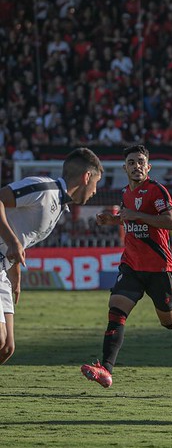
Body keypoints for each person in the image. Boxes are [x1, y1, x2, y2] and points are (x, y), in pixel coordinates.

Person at [81, 145, 172, 387]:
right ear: (125, 168)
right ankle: (105, 369)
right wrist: (112, 220)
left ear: (148, 167)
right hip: (131, 265)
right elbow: (129, 219)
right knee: (116, 312)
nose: (136, 166)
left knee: (170, 322)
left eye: (141, 162)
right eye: (131, 162)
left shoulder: (156, 191)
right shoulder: (124, 193)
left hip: (159, 268)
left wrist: (137, 216)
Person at [0, 147, 104, 364]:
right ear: (87, 177)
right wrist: (13, 241)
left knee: (7, 347)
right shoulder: (44, 188)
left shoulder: (59, 207)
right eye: (96, 183)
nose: (96, 191)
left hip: (3, 270)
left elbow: (19, 235)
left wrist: (15, 275)